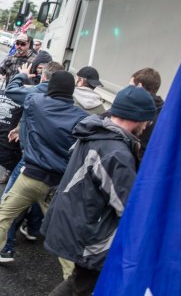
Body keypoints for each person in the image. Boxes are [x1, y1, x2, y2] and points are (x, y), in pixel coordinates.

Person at [0, 71, 88, 281]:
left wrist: (23, 75)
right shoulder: (82, 118)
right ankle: (73, 281)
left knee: (3, 217)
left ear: (50, 88)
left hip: (30, 176)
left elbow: (12, 90)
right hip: (56, 183)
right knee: (60, 232)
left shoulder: (37, 101)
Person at [42, 85, 156, 295]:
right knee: (80, 285)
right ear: (138, 117)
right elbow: (127, 206)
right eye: (148, 119)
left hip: (74, 219)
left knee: (81, 283)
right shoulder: (115, 153)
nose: (148, 125)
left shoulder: (95, 130)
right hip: (92, 232)